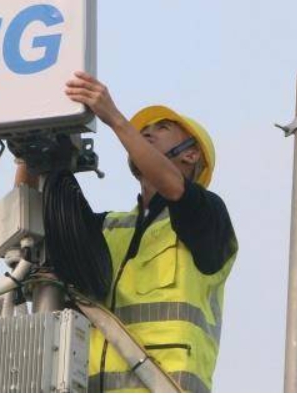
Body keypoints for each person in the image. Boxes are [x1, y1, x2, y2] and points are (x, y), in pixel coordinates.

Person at [64, 71, 238, 394]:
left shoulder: (208, 215)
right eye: (143, 129)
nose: (147, 131)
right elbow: (47, 222)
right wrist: (35, 146)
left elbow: (175, 189)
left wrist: (115, 119)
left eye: (162, 128)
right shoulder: (111, 227)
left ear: (190, 154)